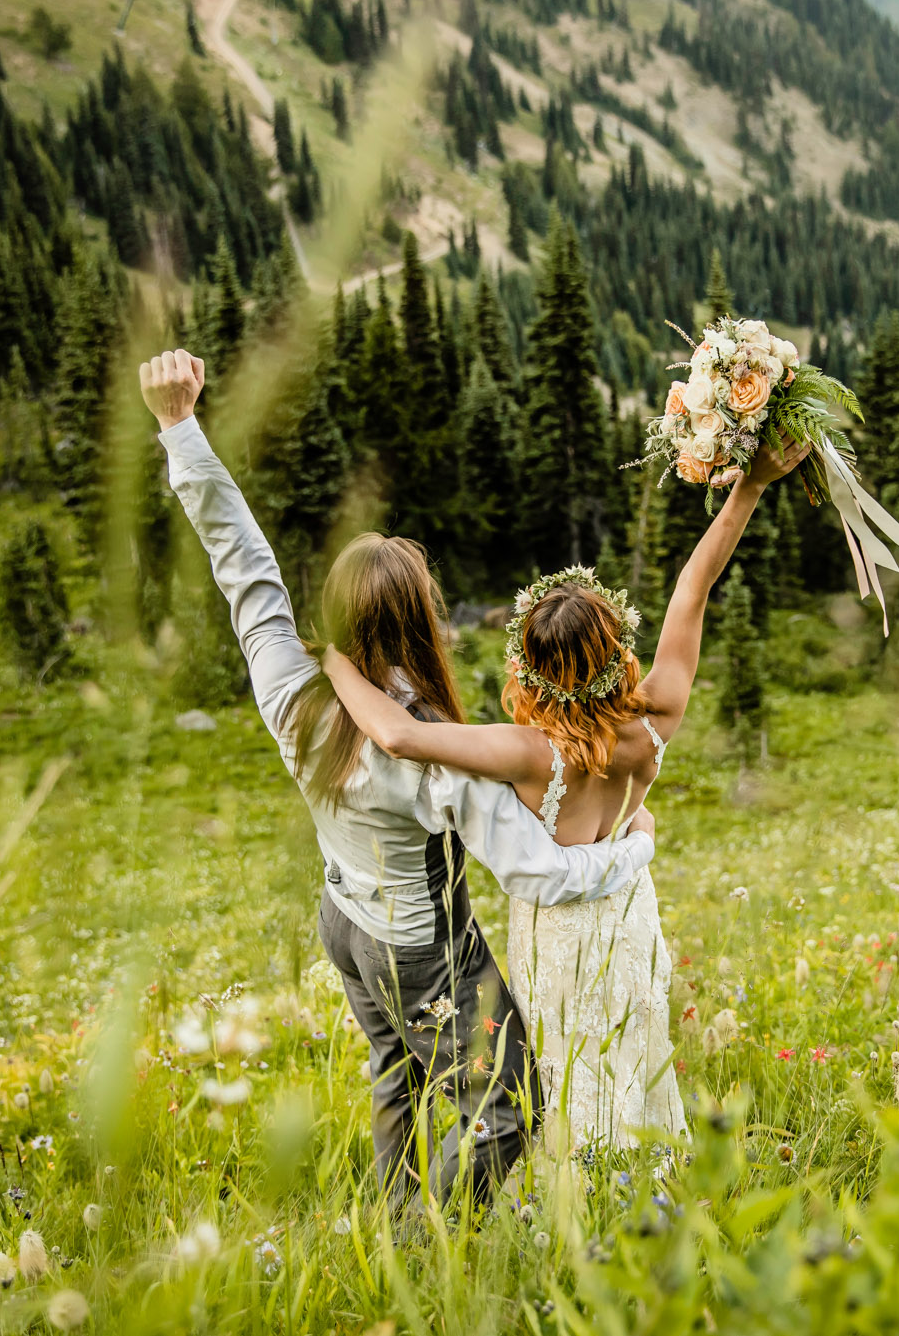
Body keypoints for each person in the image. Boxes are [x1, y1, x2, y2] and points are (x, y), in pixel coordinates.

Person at [138, 348, 657, 1207]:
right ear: (423, 617)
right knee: (504, 1108)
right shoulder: (436, 758)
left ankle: (394, 1226)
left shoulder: (288, 683)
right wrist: (634, 848)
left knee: (396, 1076)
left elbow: (244, 565)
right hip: (424, 954)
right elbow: (538, 872)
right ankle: (425, 1245)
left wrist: (179, 428)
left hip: (342, 920)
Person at [321, 434, 809, 1149]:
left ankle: (576, 1193)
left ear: (531, 669)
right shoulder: (656, 717)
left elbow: (397, 735)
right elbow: (693, 585)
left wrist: (336, 659)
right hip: (626, 916)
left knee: (563, 1065)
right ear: (618, 650)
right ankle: (644, 1179)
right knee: (633, 1049)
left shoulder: (525, 753)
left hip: (555, 935)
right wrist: (754, 483)